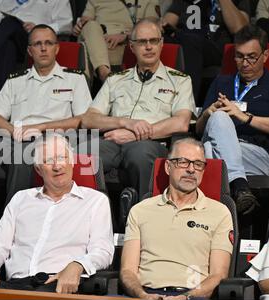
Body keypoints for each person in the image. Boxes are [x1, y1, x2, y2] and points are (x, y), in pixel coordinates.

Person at [0, 133, 114, 294]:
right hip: (13, 287)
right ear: (38, 169)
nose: (57, 166)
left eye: (62, 158)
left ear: (72, 161)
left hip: (59, 286)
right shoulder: (21, 198)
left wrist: (78, 265)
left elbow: (103, 251)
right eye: (48, 161)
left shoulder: (95, 200)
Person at [0, 24, 92, 204]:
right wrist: (14, 130)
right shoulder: (16, 80)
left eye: (48, 43)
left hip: (53, 140)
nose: (43, 48)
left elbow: (83, 119)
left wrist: (40, 127)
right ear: (29, 50)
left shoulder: (75, 78)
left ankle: (15, 217)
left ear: (57, 48)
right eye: (37, 44)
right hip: (14, 137)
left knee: (22, 156)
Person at [81, 18, 195, 199]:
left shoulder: (180, 80)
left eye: (154, 41)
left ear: (161, 44)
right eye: (142, 42)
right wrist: (125, 123)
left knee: (140, 153)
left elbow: (181, 123)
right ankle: (95, 214)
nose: (149, 47)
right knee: (84, 153)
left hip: (152, 143)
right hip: (113, 140)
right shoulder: (115, 80)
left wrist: (136, 134)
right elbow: (88, 119)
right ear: (132, 47)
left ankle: (143, 214)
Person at [120, 138, 233, 300]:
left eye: (198, 164)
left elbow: (218, 275)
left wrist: (187, 297)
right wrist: (142, 295)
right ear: (168, 167)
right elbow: (128, 270)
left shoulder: (220, 212)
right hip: (146, 294)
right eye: (183, 162)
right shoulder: (140, 210)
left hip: (193, 295)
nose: (191, 169)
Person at [196, 25, 269, 216]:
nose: (245, 63)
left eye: (251, 57)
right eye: (239, 56)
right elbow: (199, 130)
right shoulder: (222, 82)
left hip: (258, 155)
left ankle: (217, 210)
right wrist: (207, 114)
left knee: (210, 151)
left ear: (265, 55)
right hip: (223, 150)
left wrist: (244, 117)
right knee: (217, 122)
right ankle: (240, 189)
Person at [162, 0, 250, 105]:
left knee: (192, 40)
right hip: (185, 43)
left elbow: (240, 29)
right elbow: (166, 22)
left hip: (217, 50)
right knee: (163, 38)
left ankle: (187, 106)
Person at [0, 0, 72, 93]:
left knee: (10, 22)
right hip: (6, 42)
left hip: (34, 43)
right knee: (9, 47)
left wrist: (38, 28)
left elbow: (66, 24)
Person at [72, 0, 160, 82]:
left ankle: (84, 88)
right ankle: (104, 73)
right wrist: (78, 27)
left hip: (124, 43)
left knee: (86, 51)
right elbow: (84, 21)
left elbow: (152, 27)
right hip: (99, 39)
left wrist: (126, 36)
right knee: (89, 25)